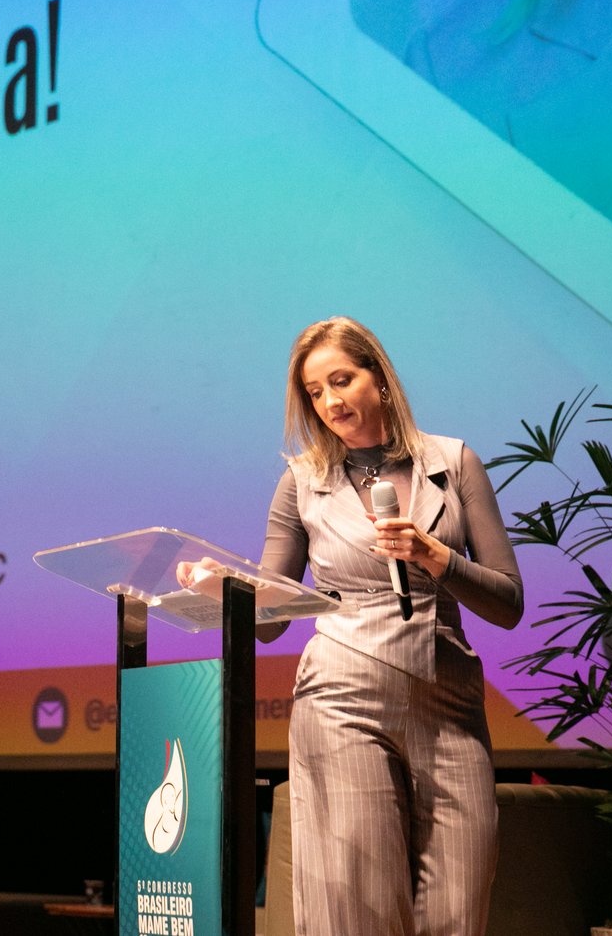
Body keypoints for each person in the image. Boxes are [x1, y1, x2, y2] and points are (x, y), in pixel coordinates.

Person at [184, 316, 522, 936]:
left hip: (450, 703)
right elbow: (271, 620)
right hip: (342, 699)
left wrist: (437, 557)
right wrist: (224, 589)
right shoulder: (301, 482)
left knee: (460, 906)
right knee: (357, 911)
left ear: (380, 378)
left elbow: (508, 602)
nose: (330, 402)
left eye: (341, 380)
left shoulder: (455, 462)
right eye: (315, 392)